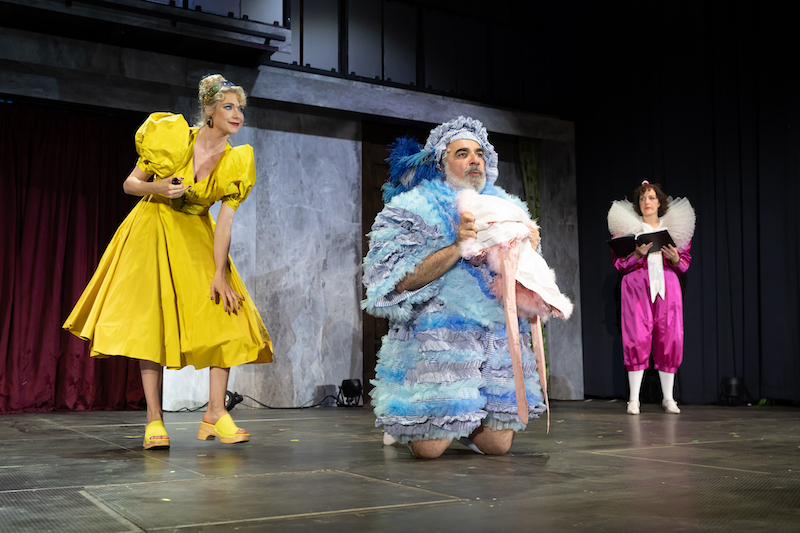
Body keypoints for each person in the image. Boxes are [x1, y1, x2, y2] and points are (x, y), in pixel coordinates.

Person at [63, 74, 273, 449]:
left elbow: (224, 225)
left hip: (196, 232)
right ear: (209, 112)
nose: (237, 114)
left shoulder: (237, 161)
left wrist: (220, 274)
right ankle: (154, 419)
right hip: (153, 227)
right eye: (228, 107)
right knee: (151, 323)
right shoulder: (173, 138)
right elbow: (130, 183)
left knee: (224, 312)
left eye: (240, 108)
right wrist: (157, 187)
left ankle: (214, 413)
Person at [363, 117, 560, 459]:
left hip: (492, 342)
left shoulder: (507, 207)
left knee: (499, 447)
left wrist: (528, 249)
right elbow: (392, 282)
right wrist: (457, 246)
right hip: (439, 343)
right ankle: (415, 425)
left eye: (479, 154)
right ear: (441, 163)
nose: (474, 160)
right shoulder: (412, 209)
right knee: (429, 452)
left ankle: (465, 420)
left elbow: (525, 283)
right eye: (463, 153)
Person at [607, 181, 695, 415]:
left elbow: (684, 265)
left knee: (670, 336)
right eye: (643, 198)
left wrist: (675, 258)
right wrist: (636, 254)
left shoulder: (676, 228)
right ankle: (633, 399)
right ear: (638, 204)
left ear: (660, 202)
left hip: (668, 286)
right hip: (636, 286)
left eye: (652, 197)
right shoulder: (627, 229)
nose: (647, 202)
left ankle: (668, 398)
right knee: (636, 336)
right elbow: (619, 264)